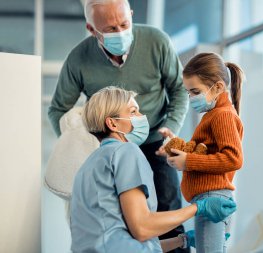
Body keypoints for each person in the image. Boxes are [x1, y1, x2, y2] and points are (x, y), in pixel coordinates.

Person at [48, 0, 189, 249]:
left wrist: (171, 130)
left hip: (157, 142)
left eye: (125, 23)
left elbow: (179, 90)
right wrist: (82, 146)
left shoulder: (157, 42)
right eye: (111, 29)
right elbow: (58, 109)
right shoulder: (79, 59)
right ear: (92, 29)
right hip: (109, 147)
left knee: (167, 212)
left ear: (132, 15)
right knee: (123, 218)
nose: (121, 32)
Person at [70, 86, 237, 253]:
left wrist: (182, 241)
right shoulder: (125, 151)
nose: (142, 117)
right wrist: (199, 207)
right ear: (112, 123)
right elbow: (142, 228)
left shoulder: (88, 166)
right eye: (133, 112)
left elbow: (124, 242)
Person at [164, 52, 244, 253]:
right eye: (188, 93)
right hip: (207, 198)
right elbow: (205, 151)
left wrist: (188, 162)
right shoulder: (214, 115)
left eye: (195, 91)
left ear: (217, 87)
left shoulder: (222, 115)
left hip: (211, 199)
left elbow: (233, 158)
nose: (191, 98)